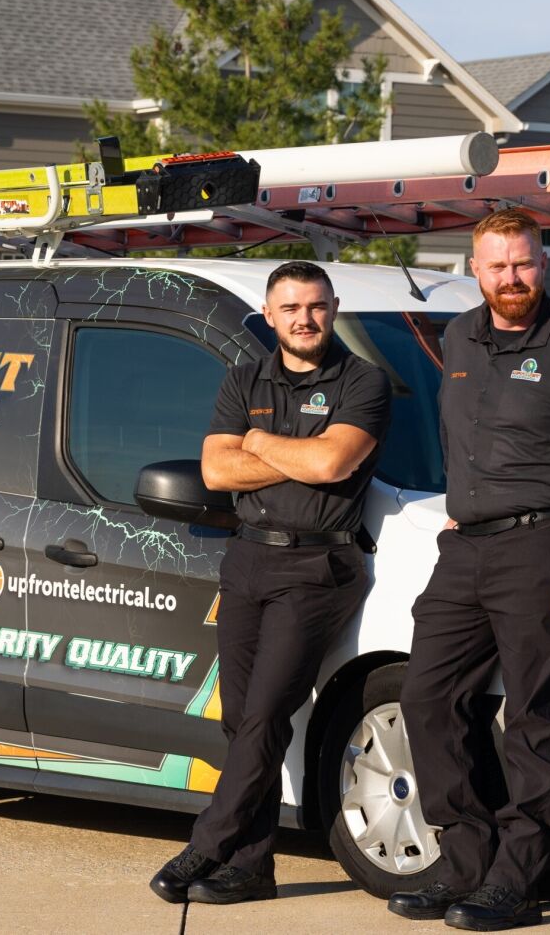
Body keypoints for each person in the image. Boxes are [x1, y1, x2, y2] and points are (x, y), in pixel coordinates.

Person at [388, 209, 550, 930]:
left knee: (533, 715)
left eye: (522, 263)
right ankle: (463, 863)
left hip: (541, 547)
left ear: (542, 263)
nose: (510, 278)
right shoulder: (459, 336)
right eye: (496, 265)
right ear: (474, 268)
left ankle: (515, 880)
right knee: (427, 697)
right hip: (464, 546)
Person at [150, 260, 392, 906]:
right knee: (240, 720)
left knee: (263, 715)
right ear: (269, 315)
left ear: (332, 307)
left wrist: (256, 441)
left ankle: (206, 846)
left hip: (318, 568)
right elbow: (217, 471)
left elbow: (331, 460)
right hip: (248, 560)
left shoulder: (363, 381)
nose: (304, 319)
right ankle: (251, 869)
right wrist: (285, 451)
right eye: (290, 309)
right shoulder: (243, 378)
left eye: (313, 307)